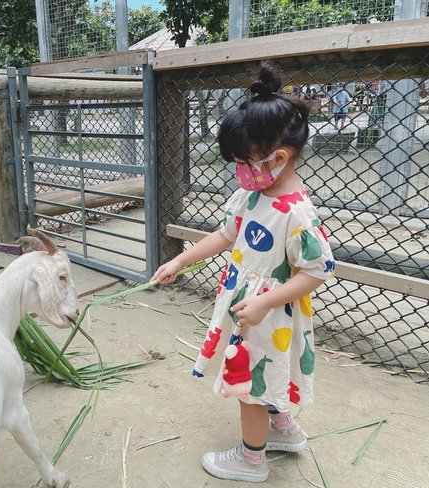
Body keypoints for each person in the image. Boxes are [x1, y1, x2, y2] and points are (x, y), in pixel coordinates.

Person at [152, 61, 335, 483]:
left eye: (244, 161)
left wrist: (266, 300)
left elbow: (317, 271)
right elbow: (224, 235)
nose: (239, 170)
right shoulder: (251, 194)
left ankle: (252, 460)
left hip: (268, 313)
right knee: (267, 372)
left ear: (280, 157)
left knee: (250, 384)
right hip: (251, 307)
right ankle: (283, 429)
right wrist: (180, 260)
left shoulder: (296, 214)